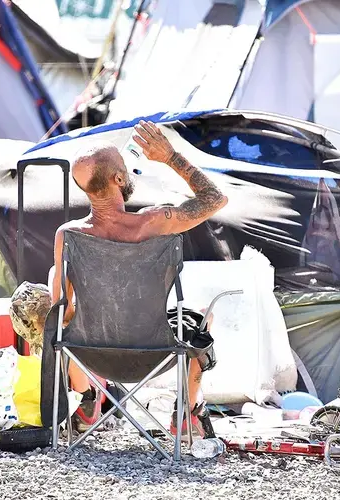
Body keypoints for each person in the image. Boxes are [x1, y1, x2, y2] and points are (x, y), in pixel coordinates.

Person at [51, 120, 228, 437]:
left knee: (64, 307)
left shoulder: (68, 236)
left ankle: (87, 402)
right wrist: (170, 157)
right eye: (125, 169)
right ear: (119, 178)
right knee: (202, 318)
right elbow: (215, 198)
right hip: (156, 352)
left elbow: (59, 313)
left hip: (93, 356)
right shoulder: (155, 222)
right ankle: (187, 415)